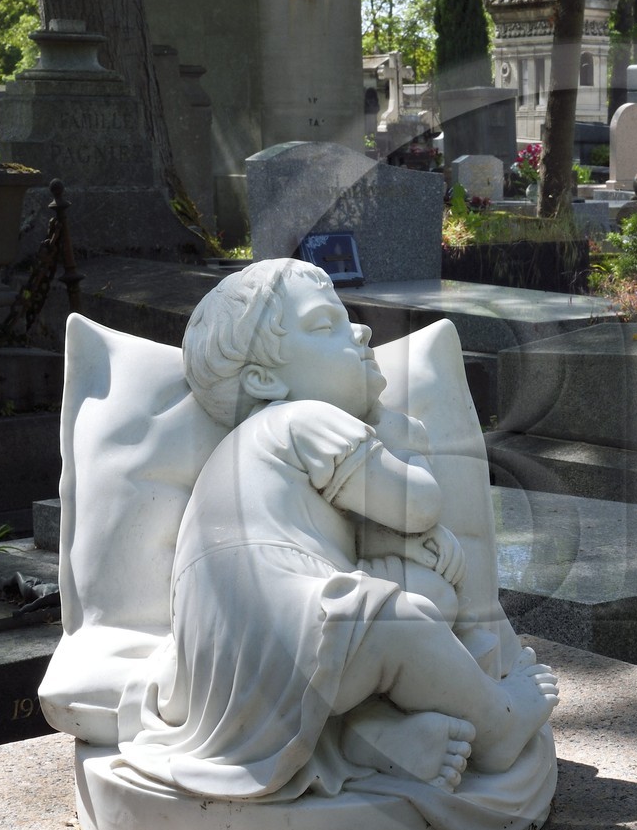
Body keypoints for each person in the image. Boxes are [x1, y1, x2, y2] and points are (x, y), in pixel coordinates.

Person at [114, 259, 558, 802]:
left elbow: (345, 534)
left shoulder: (247, 452)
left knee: (427, 596)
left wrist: (398, 547)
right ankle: (499, 724)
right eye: (326, 326)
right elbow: (416, 503)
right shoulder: (298, 418)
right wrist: (392, 429)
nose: (361, 330)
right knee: (397, 621)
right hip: (279, 631)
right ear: (263, 381)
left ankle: (366, 738)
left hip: (230, 666)